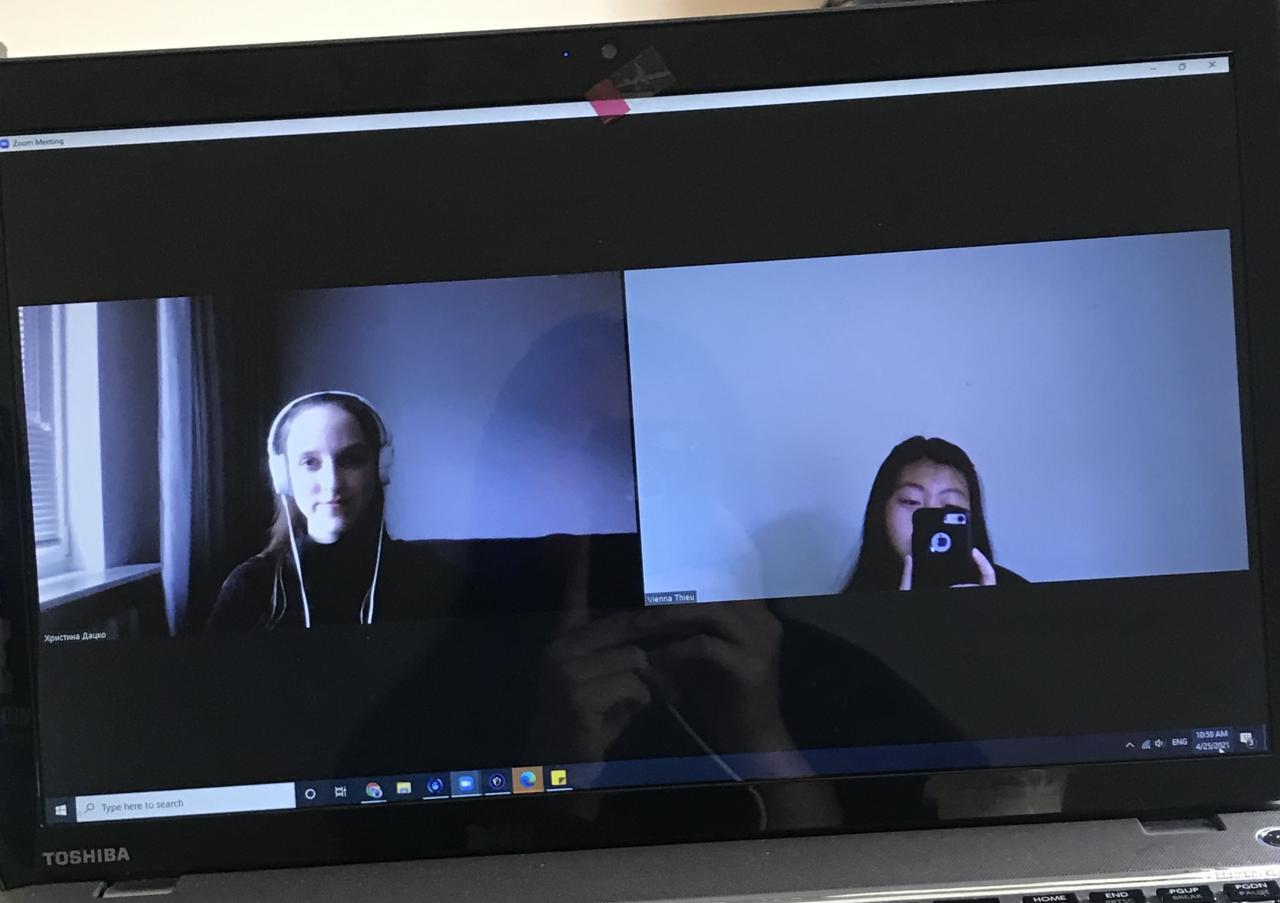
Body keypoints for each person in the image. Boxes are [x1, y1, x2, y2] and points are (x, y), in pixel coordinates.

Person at [207, 391, 469, 630]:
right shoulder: (250, 586)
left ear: (379, 469)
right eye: (310, 463)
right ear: (285, 477)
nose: (332, 483)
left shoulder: (433, 578)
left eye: (351, 460)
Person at [844, 435, 1025, 592]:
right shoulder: (845, 609)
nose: (930, 518)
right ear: (881, 509)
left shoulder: (1020, 594)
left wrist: (990, 612)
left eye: (950, 505)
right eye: (911, 501)